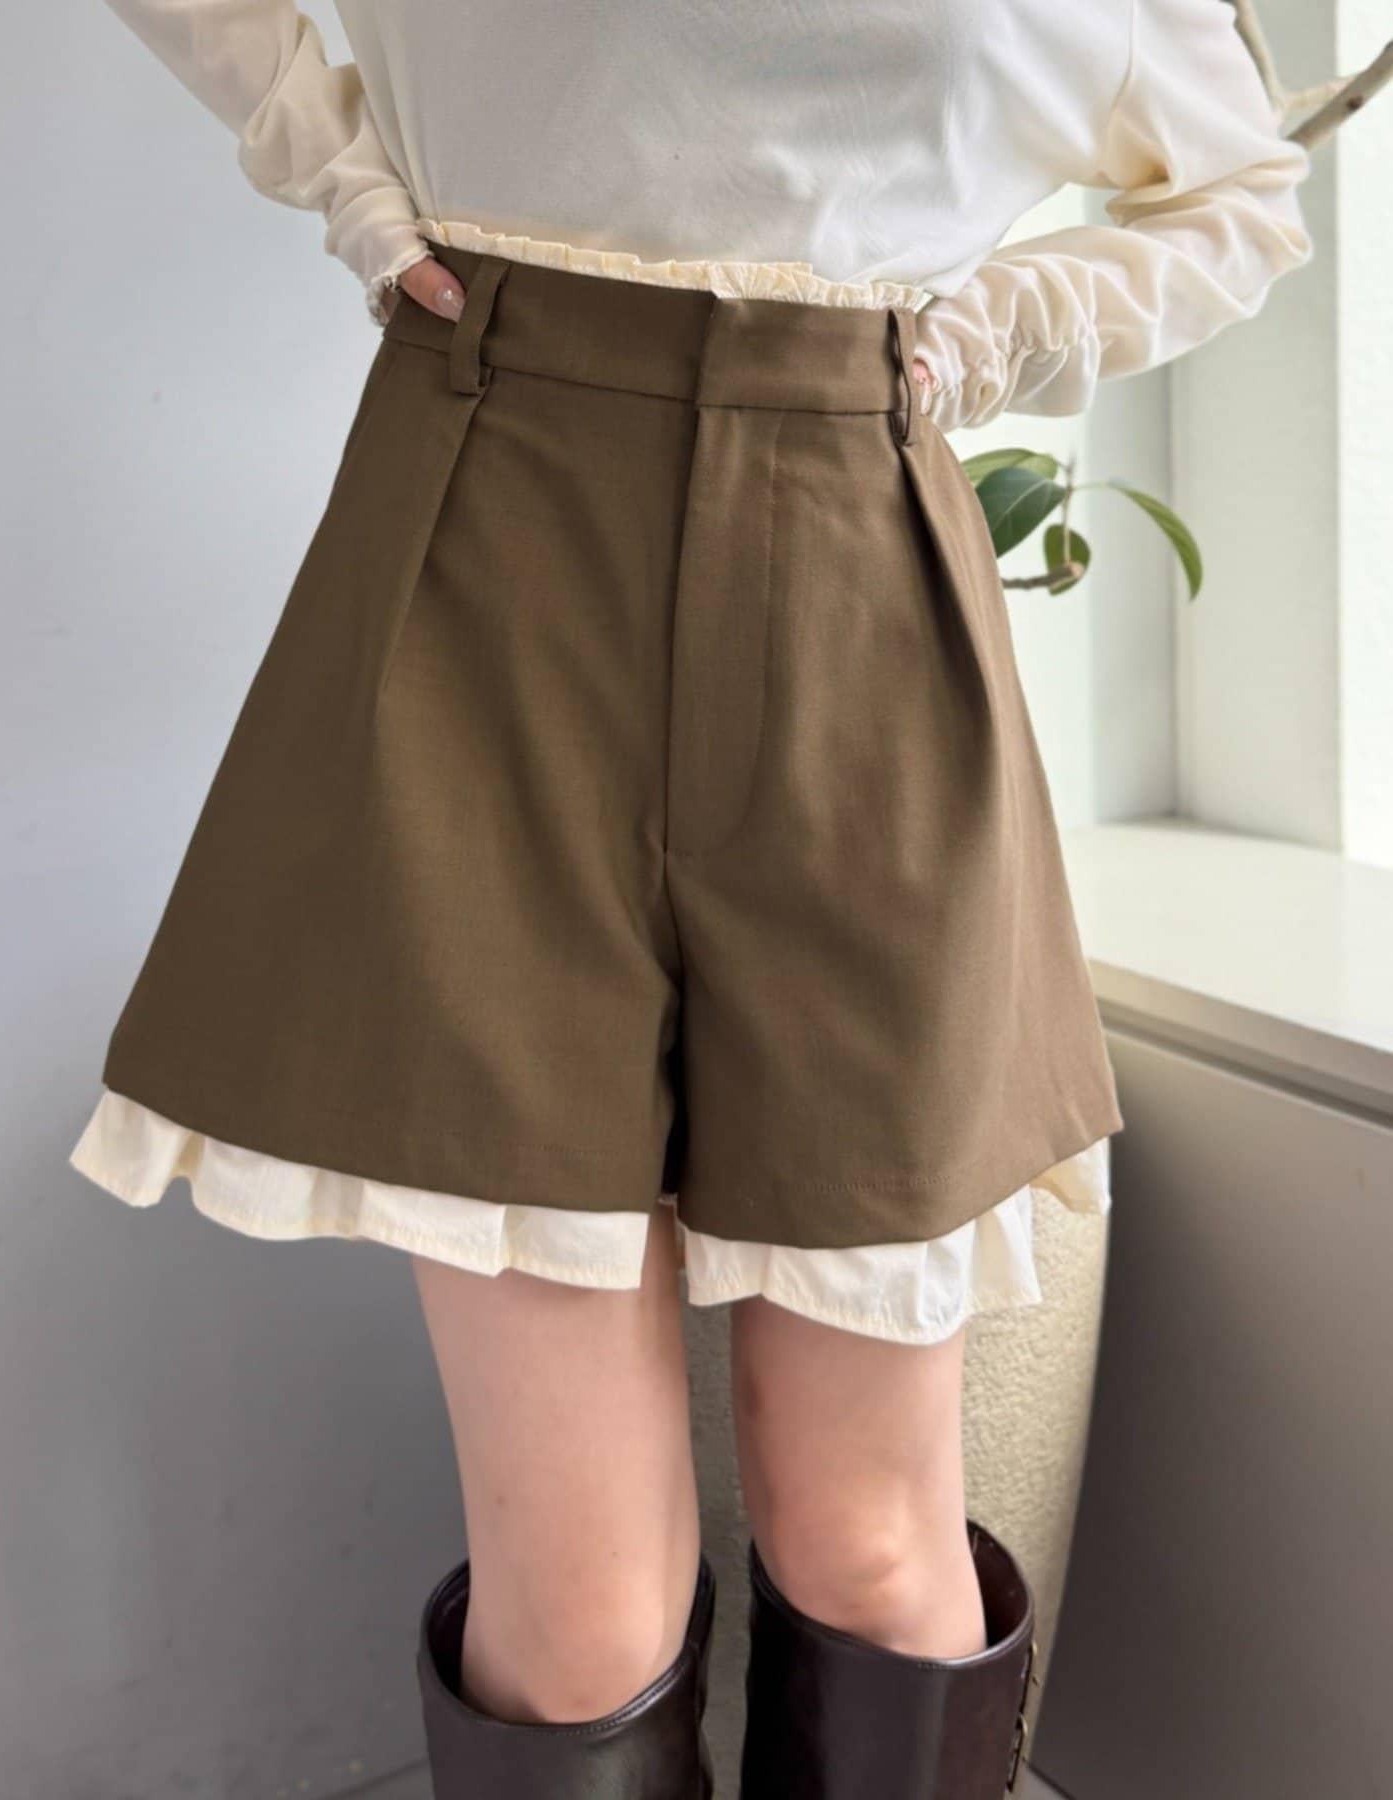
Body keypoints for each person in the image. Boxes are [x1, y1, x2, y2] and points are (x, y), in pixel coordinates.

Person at [70, 3, 1313, 1793]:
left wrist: (1005, 325)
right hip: (482, 552)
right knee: (579, 1612)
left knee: (872, 1547)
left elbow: (1239, 196)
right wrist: (337, 166)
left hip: (858, 607)